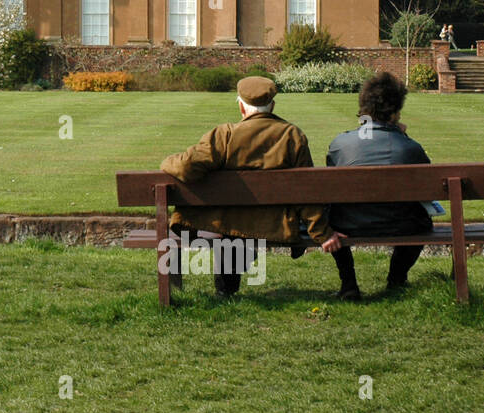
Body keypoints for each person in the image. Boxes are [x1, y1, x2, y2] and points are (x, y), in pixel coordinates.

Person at [160, 76, 336, 296]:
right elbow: (305, 190)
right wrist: (322, 232)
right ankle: (226, 288)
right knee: (243, 226)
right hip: (274, 225)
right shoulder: (293, 136)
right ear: (272, 106)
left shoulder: (225, 135)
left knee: (231, 225)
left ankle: (224, 291)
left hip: (226, 223)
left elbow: (186, 168)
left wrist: (165, 162)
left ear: (241, 106)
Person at [322, 71, 433, 300]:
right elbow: (428, 186)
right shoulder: (410, 148)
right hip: (403, 225)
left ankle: (349, 284)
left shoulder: (340, 144)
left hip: (348, 223)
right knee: (422, 221)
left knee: (333, 216)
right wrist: (403, 136)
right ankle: (397, 278)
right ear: (394, 112)